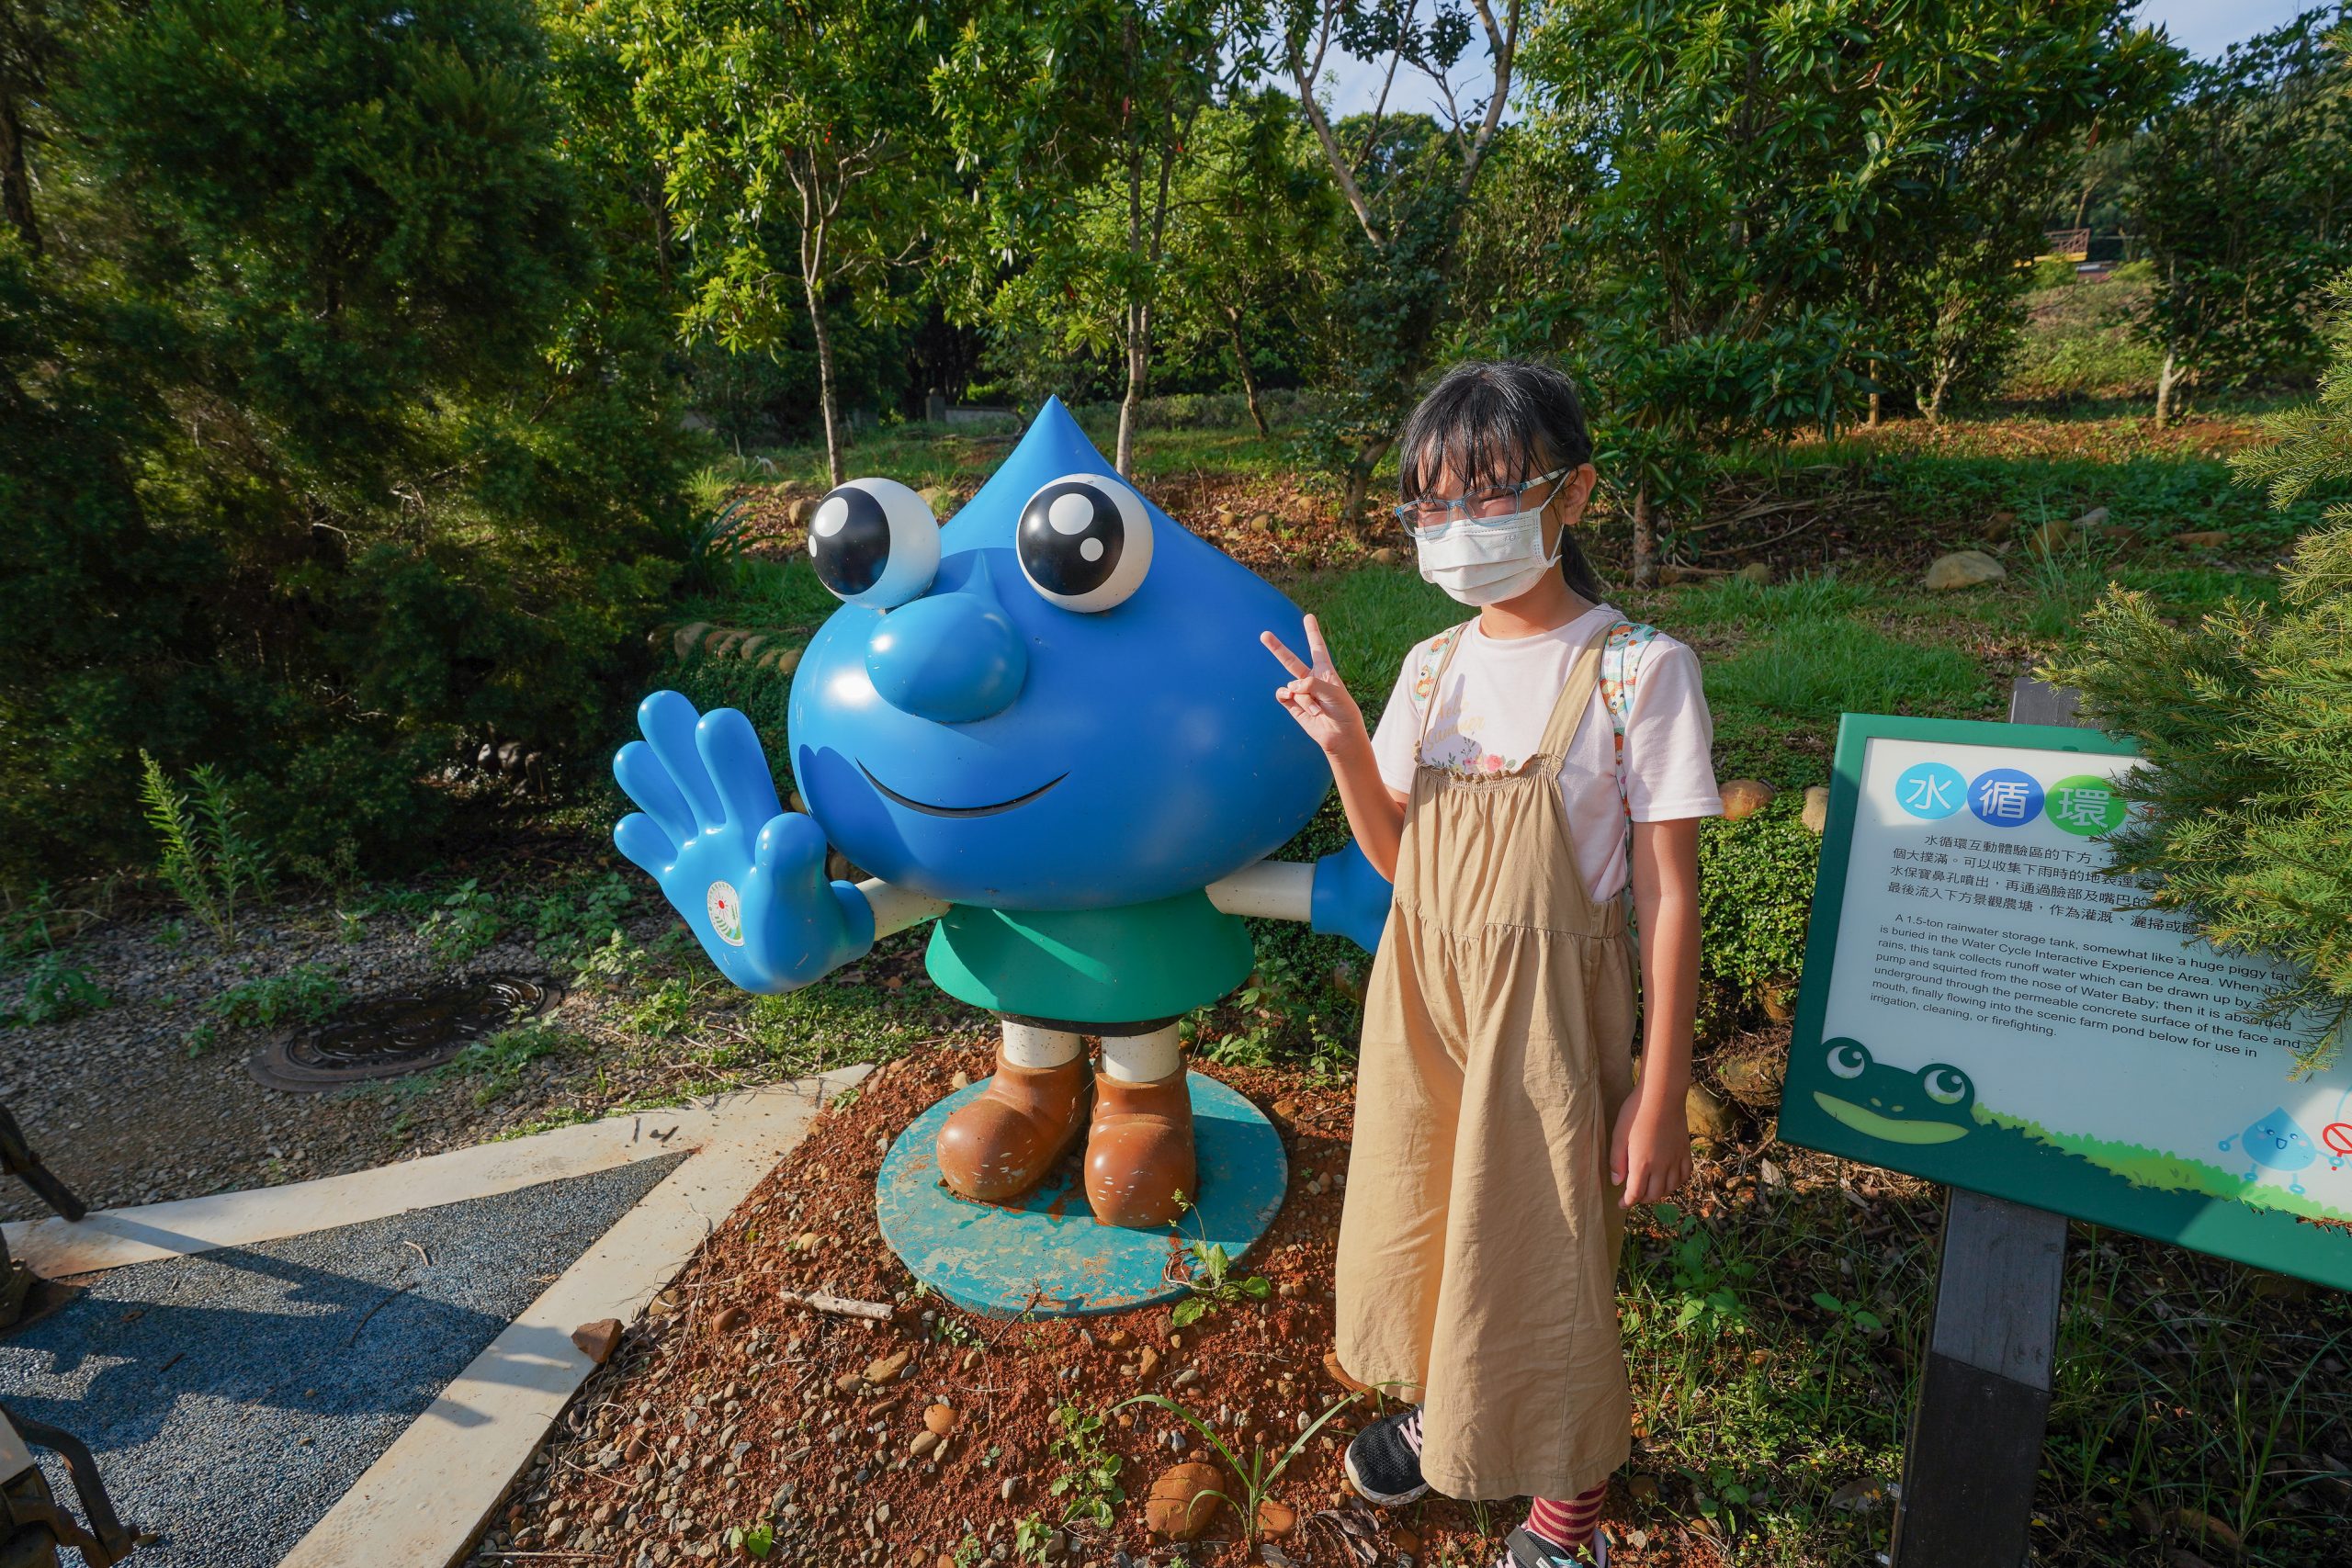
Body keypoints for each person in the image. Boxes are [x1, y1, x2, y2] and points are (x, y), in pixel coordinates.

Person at [1261, 360, 1722, 1568]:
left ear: (1571, 496)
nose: (1456, 530)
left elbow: (1670, 898)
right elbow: (1406, 866)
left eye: (1486, 498)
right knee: (1434, 1218)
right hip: (1425, 997)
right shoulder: (1431, 667)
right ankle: (1454, 1409)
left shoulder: (1639, 673)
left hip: (1552, 1019)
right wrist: (1350, 748)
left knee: (1548, 1249)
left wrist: (1663, 1091)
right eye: (1431, 506)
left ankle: (1567, 1515)